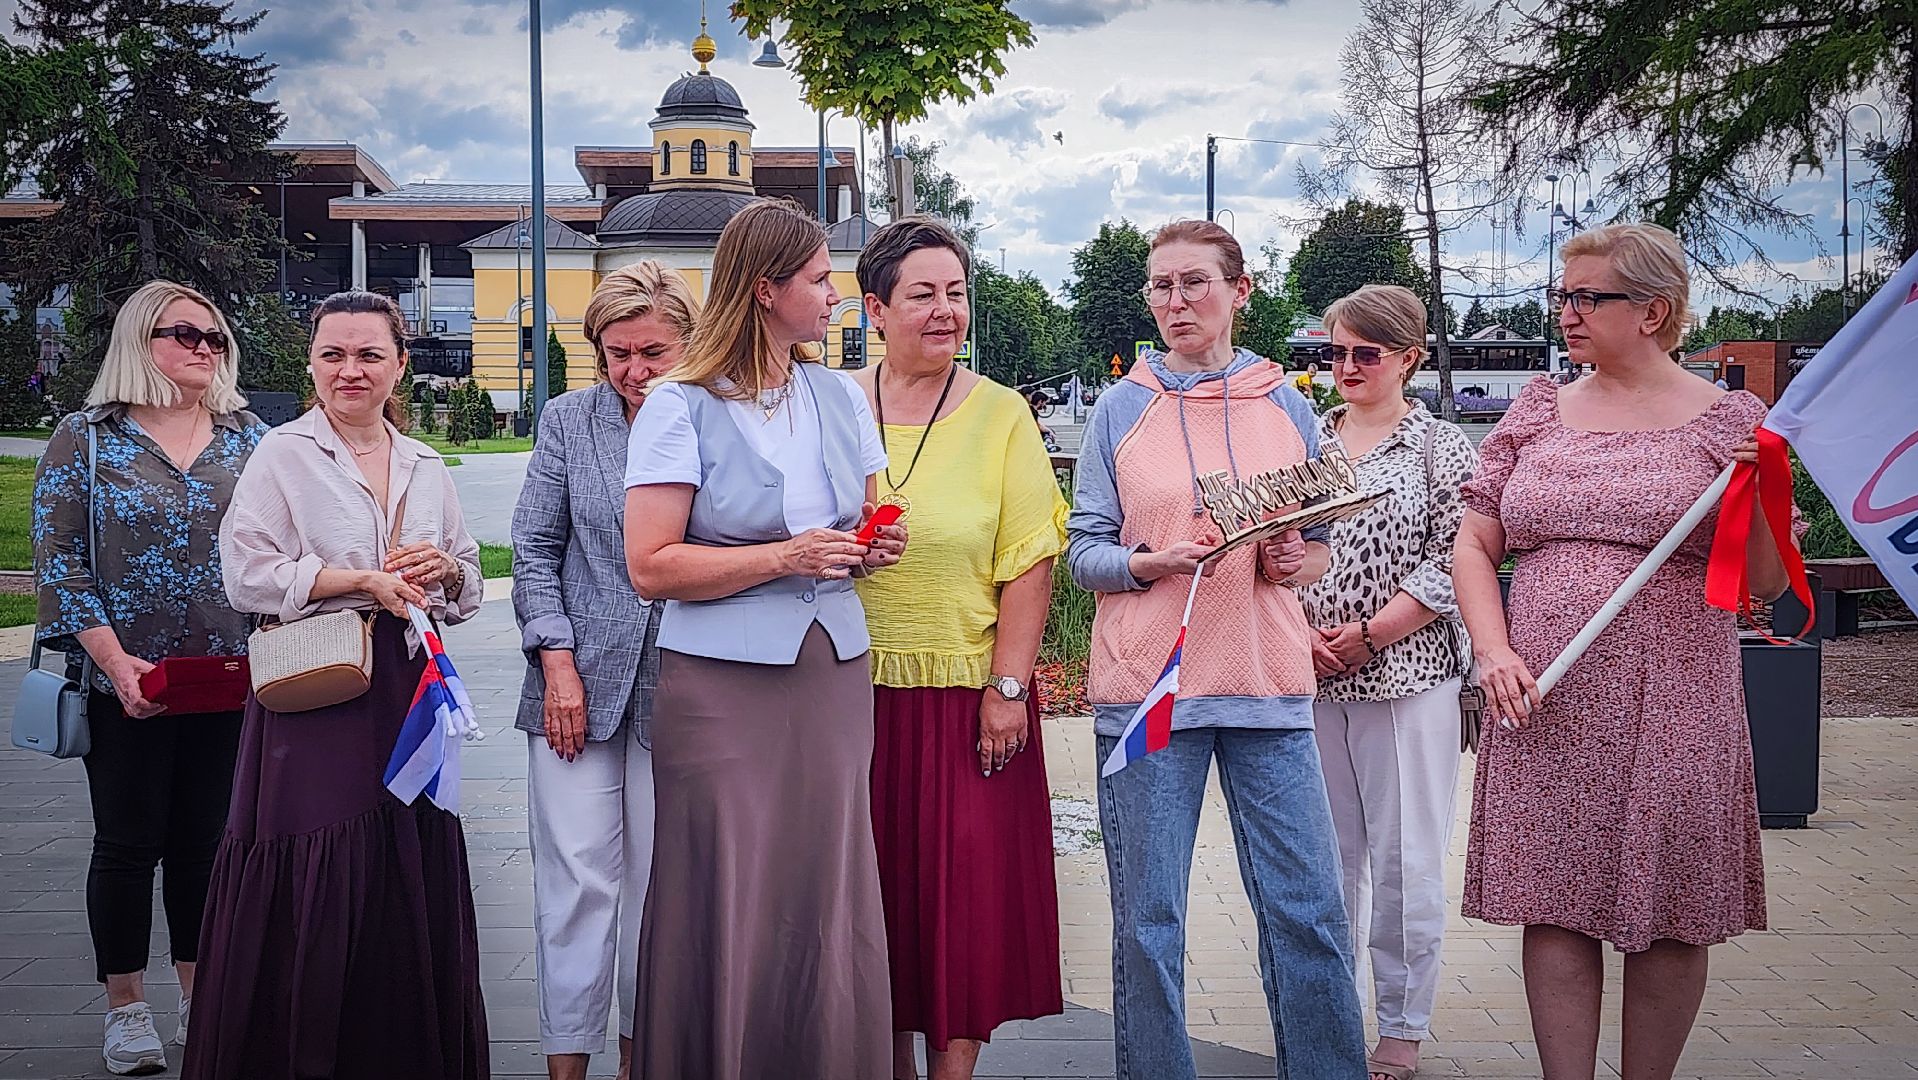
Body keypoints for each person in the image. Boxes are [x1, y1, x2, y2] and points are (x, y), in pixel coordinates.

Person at [1453, 222, 1796, 1080]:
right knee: (1555, 901)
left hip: (1678, 692)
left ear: (1654, 311)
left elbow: (1766, 581)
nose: (1567, 312)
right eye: (1562, 296)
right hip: (1544, 693)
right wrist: (1492, 649)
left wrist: (1759, 483)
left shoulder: (1730, 425)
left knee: (1673, 903)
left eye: (1587, 297)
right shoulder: (1536, 410)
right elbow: (1473, 541)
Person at [1066, 219, 1367, 1080]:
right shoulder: (1122, 408)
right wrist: (1145, 563)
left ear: (1240, 291)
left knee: (1307, 912)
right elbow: (1083, 548)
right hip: (1149, 692)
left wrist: (1290, 557)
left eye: (1193, 282)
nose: (1174, 301)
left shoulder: (1288, 404)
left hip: (1268, 685)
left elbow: (1315, 548)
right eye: (1160, 286)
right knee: (1149, 919)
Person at [621, 198, 907, 1080]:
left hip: (830, 669)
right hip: (716, 685)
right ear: (763, 290)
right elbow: (651, 566)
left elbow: (862, 520)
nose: (837, 297)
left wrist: (874, 543)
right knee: (727, 879)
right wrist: (784, 555)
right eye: (821, 280)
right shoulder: (678, 406)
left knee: (827, 875)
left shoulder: (838, 395)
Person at [187, 290, 488, 1080]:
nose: (350, 370)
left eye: (368, 355)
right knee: (319, 863)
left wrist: (447, 569)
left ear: (399, 365)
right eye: (333, 354)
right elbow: (246, 573)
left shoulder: (425, 461)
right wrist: (355, 578)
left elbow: (468, 579)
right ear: (312, 363)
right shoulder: (283, 451)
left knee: (401, 861)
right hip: (317, 683)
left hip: (407, 686)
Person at [846, 218, 1067, 1080]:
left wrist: (1008, 688)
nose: (946, 312)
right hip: (842, 697)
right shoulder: (830, 402)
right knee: (871, 904)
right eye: (924, 295)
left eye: (958, 294)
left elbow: (1030, 560)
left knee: (959, 911)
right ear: (875, 308)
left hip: (967, 699)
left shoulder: (1000, 415)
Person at [30, 280, 265, 1075]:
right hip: (125, 679)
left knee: (206, 844)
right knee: (128, 844)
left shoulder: (251, 438)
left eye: (215, 338)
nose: (204, 348)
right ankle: (125, 1010)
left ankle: (202, 999)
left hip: (231, 678)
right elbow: (58, 563)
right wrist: (112, 660)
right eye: (184, 334)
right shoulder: (87, 438)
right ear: (141, 339)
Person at [512, 262, 694, 1080]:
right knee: (577, 885)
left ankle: (640, 1060)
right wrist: (556, 659)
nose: (635, 370)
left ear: (689, 342)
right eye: (617, 353)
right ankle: (566, 1067)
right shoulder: (568, 421)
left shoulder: (714, 415)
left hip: (688, 689)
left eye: (653, 350)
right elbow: (533, 550)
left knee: (664, 895)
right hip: (572, 687)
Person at [1296, 285, 1480, 1080]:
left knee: (1406, 861)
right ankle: (1329, 1014)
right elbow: (1271, 544)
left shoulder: (1442, 448)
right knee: (1323, 863)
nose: (1345, 367)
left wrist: (1375, 633)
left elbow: (1459, 557)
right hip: (1308, 679)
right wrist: (1298, 633)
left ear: (1410, 356)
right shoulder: (1308, 440)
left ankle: (1401, 1028)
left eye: (1364, 353)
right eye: (1333, 352)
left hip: (1408, 680)